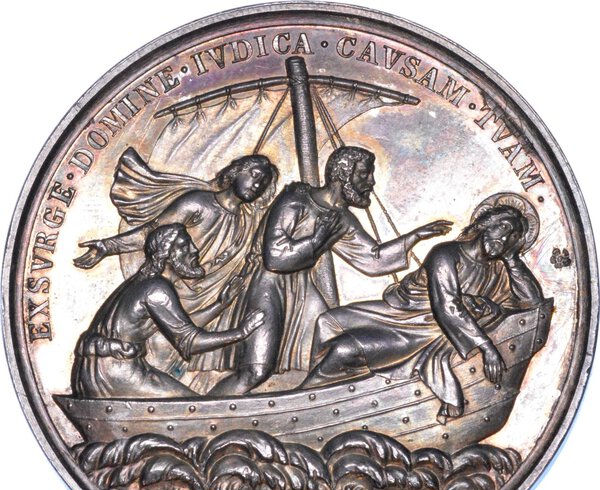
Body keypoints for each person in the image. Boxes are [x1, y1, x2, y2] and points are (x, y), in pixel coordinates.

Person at [209, 146, 452, 396]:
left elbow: (372, 259)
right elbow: (275, 258)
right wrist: (316, 240)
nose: (370, 182)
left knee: (327, 349)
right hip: (268, 286)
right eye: (364, 174)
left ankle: (307, 406)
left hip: (301, 291)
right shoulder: (296, 200)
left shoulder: (341, 218)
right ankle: (207, 410)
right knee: (255, 371)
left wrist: (415, 237)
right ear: (343, 174)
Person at [301, 196, 544, 422]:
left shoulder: (499, 270)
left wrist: (512, 259)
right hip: (404, 315)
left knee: (344, 349)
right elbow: (447, 305)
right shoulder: (447, 254)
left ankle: (306, 400)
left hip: (428, 333)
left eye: (513, 236)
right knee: (328, 321)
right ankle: (324, 392)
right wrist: (487, 347)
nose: (505, 238)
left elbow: (533, 303)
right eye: (503, 228)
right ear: (485, 225)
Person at [74, 148, 278, 374]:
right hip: (172, 288)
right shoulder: (198, 203)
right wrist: (108, 246)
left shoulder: (247, 222)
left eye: (264, 183)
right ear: (236, 172)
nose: (257, 184)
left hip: (207, 296)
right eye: (254, 175)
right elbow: (152, 232)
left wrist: (223, 301)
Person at [72, 224, 264, 399]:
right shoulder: (157, 289)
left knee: (192, 404)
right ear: (166, 254)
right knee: (194, 408)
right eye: (184, 246)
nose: (194, 250)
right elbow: (189, 342)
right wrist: (240, 332)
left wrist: (220, 304)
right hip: (115, 372)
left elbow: (179, 327)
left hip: (98, 368)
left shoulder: (142, 282)